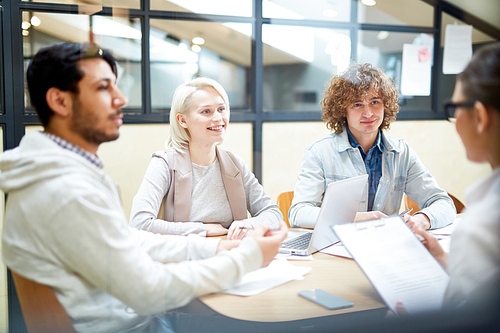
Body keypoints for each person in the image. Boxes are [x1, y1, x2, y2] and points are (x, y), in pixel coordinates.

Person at [0, 42, 287, 333]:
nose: (121, 99)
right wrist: (246, 258)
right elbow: (148, 289)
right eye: (103, 88)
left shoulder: (68, 171)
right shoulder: (64, 190)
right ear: (60, 101)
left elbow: (128, 239)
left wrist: (217, 247)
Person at [289, 63, 455, 230]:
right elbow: (298, 213)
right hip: (337, 247)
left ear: (386, 105)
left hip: (386, 248)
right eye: (357, 104)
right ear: (342, 110)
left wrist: (422, 219)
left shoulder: (402, 153)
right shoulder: (319, 153)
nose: (368, 113)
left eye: (374, 102)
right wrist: (353, 219)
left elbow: (443, 203)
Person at [129, 77, 282, 240]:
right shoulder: (164, 164)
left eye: (222, 109)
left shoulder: (235, 164)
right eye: (206, 111)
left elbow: (274, 214)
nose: (218, 118)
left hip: (231, 255)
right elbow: (139, 223)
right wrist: (200, 229)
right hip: (185, 258)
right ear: (182, 120)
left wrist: (250, 224)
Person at [413, 42, 500, 310]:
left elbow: (465, 320)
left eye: (454, 107)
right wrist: (446, 260)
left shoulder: (482, 228)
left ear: (481, 116)